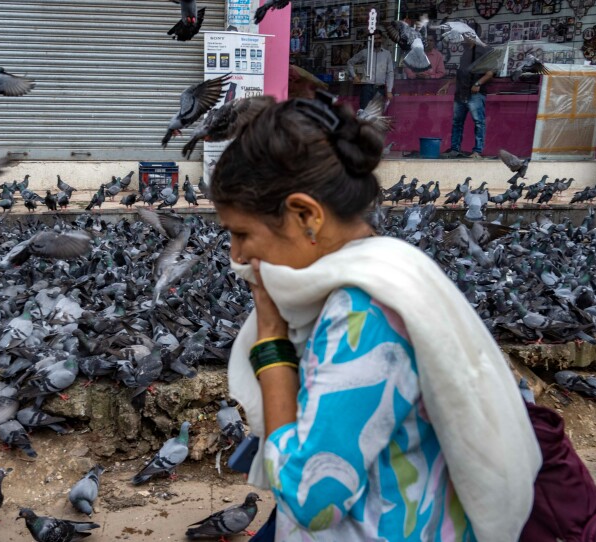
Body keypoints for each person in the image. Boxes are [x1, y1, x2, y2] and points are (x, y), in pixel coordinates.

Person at [209, 95, 542, 541]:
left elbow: (312, 500)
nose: (237, 254)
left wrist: (271, 343)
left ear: (306, 215)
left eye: (242, 233)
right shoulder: (393, 268)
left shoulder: (360, 317)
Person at [442, 23, 494, 159]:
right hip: (461, 92)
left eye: (465, 33)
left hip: (475, 93)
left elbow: (490, 72)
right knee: (457, 122)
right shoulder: (466, 51)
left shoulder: (484, 50)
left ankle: (477, 151)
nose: (462, 36)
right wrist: (449, 83)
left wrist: (477, 83)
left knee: (478, 122)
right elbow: (463, 72)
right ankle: (455, 149)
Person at [346, 29, 394, 109]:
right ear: (371, 40)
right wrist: (354, 76)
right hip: (366, 88)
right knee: (364, 113)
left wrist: (389, 91)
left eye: (378, 38)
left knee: (377, 114)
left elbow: (390, 73)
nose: (377, 40)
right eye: (374, 39)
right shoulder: (364, 52)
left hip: (380, 89)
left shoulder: (387, 54)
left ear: (381, 39)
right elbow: (350, 63)